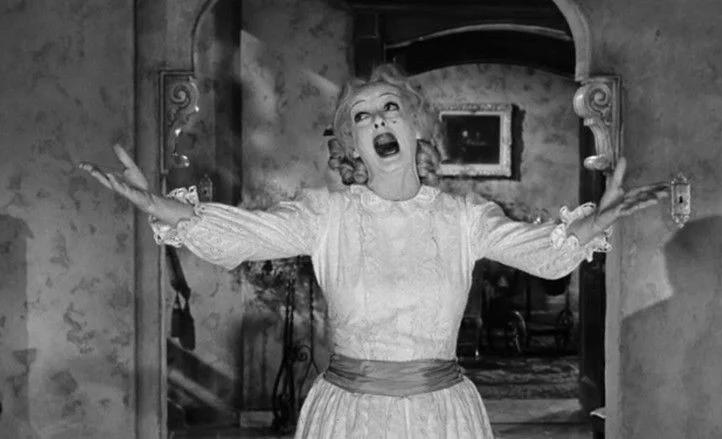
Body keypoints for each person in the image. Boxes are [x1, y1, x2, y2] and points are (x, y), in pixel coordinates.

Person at [79, 64, 668, 438]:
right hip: (349, 417)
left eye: (391, 109)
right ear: (354, 144)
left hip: (442, 418)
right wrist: (165, 209)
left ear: (417, 129)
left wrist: (593, 225)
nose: (379, 120)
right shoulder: (326, 215)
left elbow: (543, 254)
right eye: (363, 117)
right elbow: (246, 234)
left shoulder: (464, 218)